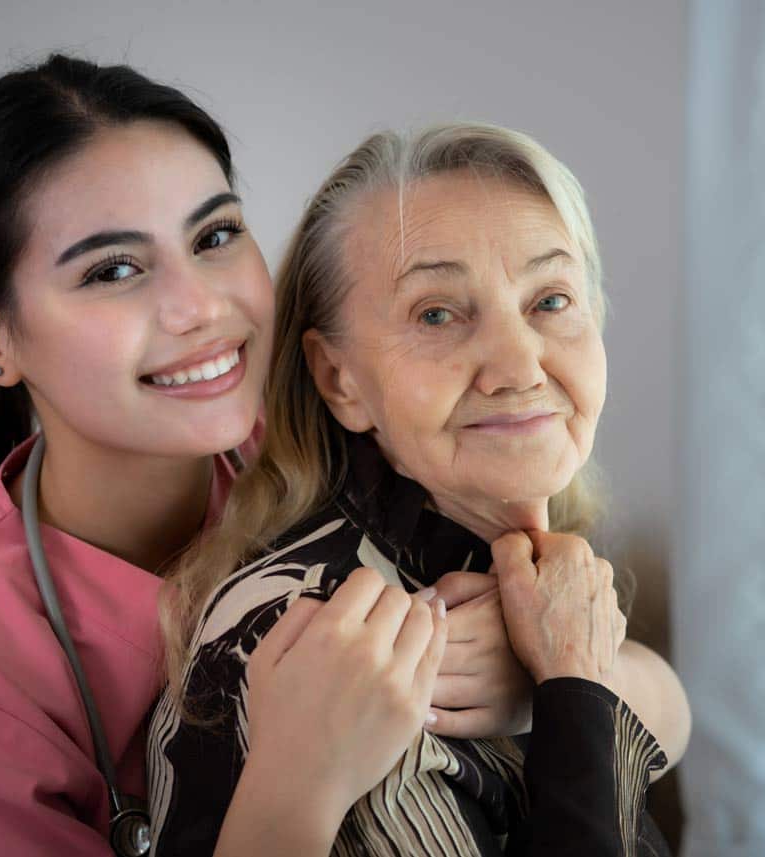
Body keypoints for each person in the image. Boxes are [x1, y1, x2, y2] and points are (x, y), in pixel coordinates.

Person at [151, 122, 690, 856]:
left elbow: (671, 710)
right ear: (340, 380)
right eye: (437, 313)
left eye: (551, 300)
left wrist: (559, 682)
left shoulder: (499, 556)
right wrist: (570, 687)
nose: (519, 365)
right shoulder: (340, 648)